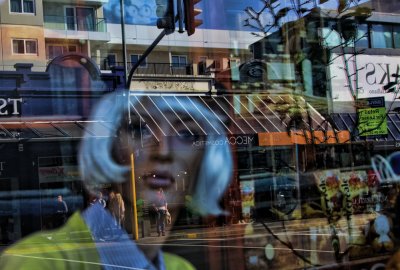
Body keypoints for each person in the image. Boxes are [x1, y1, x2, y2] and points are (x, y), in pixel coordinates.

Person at [0, 91, 233, 269]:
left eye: (186, 135)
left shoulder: (180, 267)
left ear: (204, 160)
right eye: (139, 129)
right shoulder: (37, 262)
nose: (163, 151)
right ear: (110, 149)